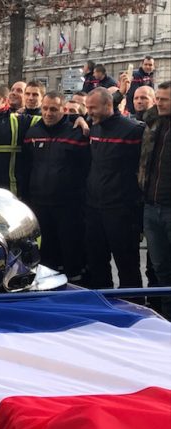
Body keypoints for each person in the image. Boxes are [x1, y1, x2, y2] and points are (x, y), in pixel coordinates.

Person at [23, 91, 90, 283]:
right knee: (46, 254)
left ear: (63, 110)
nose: (48, 113)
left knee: (71, 252)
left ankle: (75, 288)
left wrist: (79, 118)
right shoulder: (32, 133)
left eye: (54, 109)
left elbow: (86, 167)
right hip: (39, 204)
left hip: (69, 206)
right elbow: (26, 167)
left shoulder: (77, 133)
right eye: (45, 108)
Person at [84, 87, 144, 289]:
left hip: (120, 210)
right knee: (97, 261)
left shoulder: (133, 130)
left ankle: (133, 304)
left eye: (92, 108)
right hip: (94, 207)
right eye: (87, 108)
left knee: (126, 263)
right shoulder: (93, 126)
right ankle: (103, 303)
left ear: (108, 106)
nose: (89, 112)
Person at [138, 81, 170, 316]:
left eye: (165, 99)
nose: (159, 103)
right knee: (160, 268)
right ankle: (165, 317)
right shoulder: (152, 123)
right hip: (151, 205)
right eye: (158, 98)